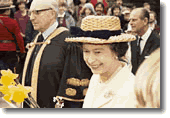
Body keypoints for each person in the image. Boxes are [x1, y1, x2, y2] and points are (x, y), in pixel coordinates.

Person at [21, 0, 91, 108]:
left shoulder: (69, 41)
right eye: (30, 13)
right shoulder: (37, 39)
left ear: (52, 13)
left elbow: (74, 87)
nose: (31, 18)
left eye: (37, 12)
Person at [65, 16, 137, 108]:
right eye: (86, 51)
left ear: (117, 51)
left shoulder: (133, 90)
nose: (90, 60)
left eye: (97, 52)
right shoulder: (96, 78)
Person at [129, 8, 160, 75]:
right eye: (130, 20)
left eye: (134, 20)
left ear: (145, 21)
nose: (130, 23)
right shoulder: (133, 41)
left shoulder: (158, 41)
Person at [0, 0, 25, 73]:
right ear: (7, 11)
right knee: (10, 73)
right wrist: (22, 50)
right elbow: (19, 37)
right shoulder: (13, 22)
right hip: (10, 50)